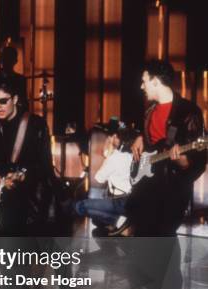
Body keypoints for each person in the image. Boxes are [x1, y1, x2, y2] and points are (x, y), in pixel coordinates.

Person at [126, 59, 206, 236]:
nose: (141, 86)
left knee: (162, 238)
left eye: (144, 81)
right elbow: (151, 139)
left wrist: (182, 161)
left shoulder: (189, 112)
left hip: (172, 191)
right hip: (146, 187)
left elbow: (199, 160)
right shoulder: (149, 111)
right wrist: (139, 136)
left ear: (155, 81)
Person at [0, 78, 53, 236]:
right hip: (7, 200)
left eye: (3, 101)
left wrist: (23, 174)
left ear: (15, 99)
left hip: (32, 201)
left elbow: (44, 165)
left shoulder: (35, 124)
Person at [73, 129, 134, 236]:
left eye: (107, 140)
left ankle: (117, 220)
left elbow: (99, 178)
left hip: (119, 202)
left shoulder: (114, 157)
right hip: (129, 201)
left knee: (79, 206)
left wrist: (108, 155)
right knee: (96, 220)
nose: (105, 142)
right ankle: (117, 222)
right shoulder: (130, 155)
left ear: (114, 138)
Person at [0, 45, 28, 119]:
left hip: (14, 118)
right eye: (6, 58)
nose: (8, 61)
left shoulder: (20, 80)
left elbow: (23, 102)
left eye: (10, 58)